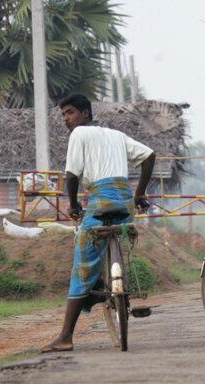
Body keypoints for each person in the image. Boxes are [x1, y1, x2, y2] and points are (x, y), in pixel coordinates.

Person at [41, 93, 155, 353]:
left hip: (101, 201)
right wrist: (139, 193)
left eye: (70, 113)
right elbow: (149, 156)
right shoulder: (116, 135)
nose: (66, 119)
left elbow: (71, 175)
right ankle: (105, 283)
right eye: (63, 115)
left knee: (83, 258)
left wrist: (72, 205)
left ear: (85, 114)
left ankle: (66, 336)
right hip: (125, 203)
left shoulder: (79, 134)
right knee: (106, 236)